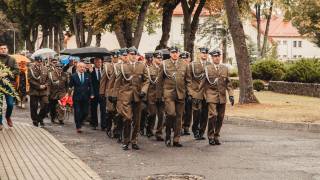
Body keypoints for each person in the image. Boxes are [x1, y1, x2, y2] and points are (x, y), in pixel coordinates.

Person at [113, 46, 147, 150]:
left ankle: (134, 141)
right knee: (127, 118)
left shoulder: (142, 66)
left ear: (137, 56)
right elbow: (117, 82)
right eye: (131, 54)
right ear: (127, 55)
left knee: (137, 120)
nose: (133, 56)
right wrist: (114, 95)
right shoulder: (123, 67)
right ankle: (126, 141)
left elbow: (146, 80)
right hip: (125, 96)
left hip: (138, 96)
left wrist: (144, 90)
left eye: (135, 54)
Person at [200, 50, 234, 145]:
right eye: (215, 56)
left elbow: (229, 84)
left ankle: (216, 135)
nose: (217, 58)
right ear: (212, 58)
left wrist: (231, 95)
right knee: (213, 115)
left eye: (218, 56)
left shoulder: (225, 68)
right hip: (211, 95)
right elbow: (202, 83)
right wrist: (198, 97)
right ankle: (210, 136)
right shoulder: (207, 68)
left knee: (220, 117)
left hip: (222, 96)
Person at [159, 46, 191, 147]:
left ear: (178, 53)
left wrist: (190, 93)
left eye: (176, 52)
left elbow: (188, 80)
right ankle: (168, 136)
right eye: (173, 52)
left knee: (179, 117)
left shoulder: (184, 64)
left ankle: (176, 139)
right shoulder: (164, 64)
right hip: (168, 93)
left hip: (181, 94)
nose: (175, 54)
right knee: (171, 114)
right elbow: (159, 81)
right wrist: (159, 95)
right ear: (170, 53)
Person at [141, 50, 165, 141]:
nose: (160, 59)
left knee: (161, 115)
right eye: (158, 58)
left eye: (161, 58)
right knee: (152, 114)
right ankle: (149, 129)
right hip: (151, 95)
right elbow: (146, 82)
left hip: (161, 95)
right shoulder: (148, 69)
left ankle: (159, 133)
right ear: (154, 58)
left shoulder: (164, 69)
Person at [190, 47, 211, 140]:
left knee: (205, 114)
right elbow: (188, 79)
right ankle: (195, 130)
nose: (204, 55)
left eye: (206, 53)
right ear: (199, 54)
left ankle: (201, 132)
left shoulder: (210, 65)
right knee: (197, 113)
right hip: (196, 92)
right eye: (203, 53)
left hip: (206, 94)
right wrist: (191, 92)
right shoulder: (193, 65)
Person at [100, 50, 120, 137]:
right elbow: (103, 80)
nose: (115, 59)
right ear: (111, 57)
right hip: (109, 92)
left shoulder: (121, 66)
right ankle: (108, 127)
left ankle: (116, 130)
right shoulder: (107, 67)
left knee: (118, 112)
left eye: (117, 57)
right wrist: (102, 93)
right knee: (110, 111)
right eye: (114, 57)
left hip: (119, 93)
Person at [69, 62, 94, 133]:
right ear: (77, 68)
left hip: (86, 97)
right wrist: (68, 94)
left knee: (85, 112)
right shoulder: (73, 76)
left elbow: (90, 85)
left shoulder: (87, 75)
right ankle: (78, 126)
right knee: (77, 111)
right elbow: (70, 86)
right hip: (77, 97)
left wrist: (92, 93)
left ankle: (80, 121)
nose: (82, 68)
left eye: (83, 67)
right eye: (81, 67)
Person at [0, 43, 19, 129]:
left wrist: (6, 73)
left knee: (10, 104)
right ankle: (0, 122)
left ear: (7, 49)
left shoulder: (12, 59)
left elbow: (17, 71)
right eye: (1, 48)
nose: (3, 50)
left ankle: (8, 117)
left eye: (4, 48)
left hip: (9, 85)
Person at [28, 56, 50, 127]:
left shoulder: (45, 69)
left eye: (41, 61)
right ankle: (34, 119)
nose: (39, 63)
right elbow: (30, 80)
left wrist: (45, 85)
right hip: (34, 91)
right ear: (35, 61)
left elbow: (48, 79)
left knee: (46, 105)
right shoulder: (31, 69)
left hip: (43, 91)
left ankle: (40, 118)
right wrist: (38, 86)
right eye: (38, 61)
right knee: (34, 106)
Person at [48, 60, 69, 124]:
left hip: (62, 93)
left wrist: (67, 93)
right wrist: (48, 93)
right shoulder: (51, 74)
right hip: (53, 93)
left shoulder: (65, 74)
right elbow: (49, 84)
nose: (59, 68)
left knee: (61, 106)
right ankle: (53, 118)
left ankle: (61, 119)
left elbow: (67, 85)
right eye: (58, 67)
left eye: (61, 67)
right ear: (55, 67)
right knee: (53, 107)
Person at [90, 57, 107, 130]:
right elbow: (89, 83)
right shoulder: (91, 71)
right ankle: (94, 124)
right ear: (94, 63)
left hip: (102, 93)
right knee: (93, 109)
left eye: (100, 62)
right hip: (94, 93)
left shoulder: (104, 71)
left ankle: (103, 125)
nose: (99, 64)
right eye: (97, 62)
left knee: (103, 110)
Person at [180, 51, 192, 136]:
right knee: (181, 110)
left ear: (189, 59)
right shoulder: (179, 67)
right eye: (182, 58)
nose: (184, 60)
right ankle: (180, 126)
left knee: (189, 110)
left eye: (186, 58)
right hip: (181, 91)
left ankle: (186, 127)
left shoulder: (192, 68)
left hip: (190, 92)